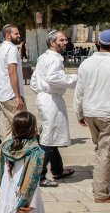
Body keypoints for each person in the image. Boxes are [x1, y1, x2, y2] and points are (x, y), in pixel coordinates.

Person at [74, 30, 110, 203]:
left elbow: (79, 91)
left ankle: (98, 183)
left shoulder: (86, 64)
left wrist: (79, 112)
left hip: (90, 112)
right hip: (108, 113)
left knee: (100, 148)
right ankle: (101, 193)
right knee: (107, 152)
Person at [32, 30, 77, 187]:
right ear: (52, 43)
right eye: (62, 40)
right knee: (49, 137)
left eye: (66, 40)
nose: (65, 42)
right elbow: (54, 77)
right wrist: (73, 79)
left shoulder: (43, 57)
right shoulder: (53, 59)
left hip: (47, 97)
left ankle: (57, 169)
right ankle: (39, 175)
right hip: (50, 99)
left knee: (53, 134)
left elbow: (34, 79)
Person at [0, 24, 26, 141]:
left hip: (2, 96)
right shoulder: (12, 49)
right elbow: (12, 71)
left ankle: (6, 158)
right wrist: (18, 96)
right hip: (12, 96)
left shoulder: (0, 50)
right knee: (22, 129)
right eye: (16, 33)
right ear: (8, 36)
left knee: (7, 133)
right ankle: (19, 157)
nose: (19, 35)